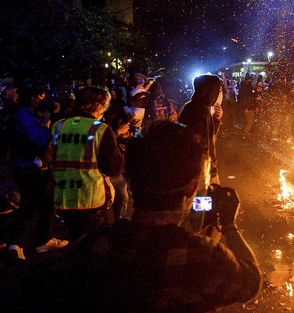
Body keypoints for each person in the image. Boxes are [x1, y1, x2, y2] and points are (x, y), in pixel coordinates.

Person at [16, 121, 262, 311]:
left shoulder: (96, 245)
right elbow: (250, 283)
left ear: (131, 184)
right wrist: (228, 224)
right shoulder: (205, 257)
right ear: (191, 188)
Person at [51, 86, 125, 240]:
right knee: (98, 245)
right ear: (92, 105)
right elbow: (114, 168)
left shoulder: (59, 125)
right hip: (91, 198)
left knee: (76, 239)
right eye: (103, 104)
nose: (104, 109)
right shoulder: (100, 129)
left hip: (63, 195)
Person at [5, 86, 68, 261]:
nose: (43, 99)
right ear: (33, 97)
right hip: (30, 169)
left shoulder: (25, 115)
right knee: (40, 203)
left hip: (29, 167)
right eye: (41, 96)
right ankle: (36, 242)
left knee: (33, 205)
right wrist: (47, 121)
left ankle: (19, 244)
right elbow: (41, 141)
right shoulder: (23, 117)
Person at [178, 74, 223, 187]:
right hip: (198, 172)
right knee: (201, 202)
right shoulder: (200, 111)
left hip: (193, 169)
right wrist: (212, 174)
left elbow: (209, 135)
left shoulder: (194, 107)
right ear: (210, 91)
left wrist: (216, 120)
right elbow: (203, 146)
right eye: (218, 90)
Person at [238, 73, 258, 139]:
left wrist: (255, 106)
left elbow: (252, 97)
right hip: (247, 107)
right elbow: (243, 99)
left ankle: (246, 133)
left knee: (249, 121)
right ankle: (245, 134)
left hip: (251, 107)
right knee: (249, 121)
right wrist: (245, 107)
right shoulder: (243, 89)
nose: (250, 82)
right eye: (249, 81)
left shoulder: (250, 87)